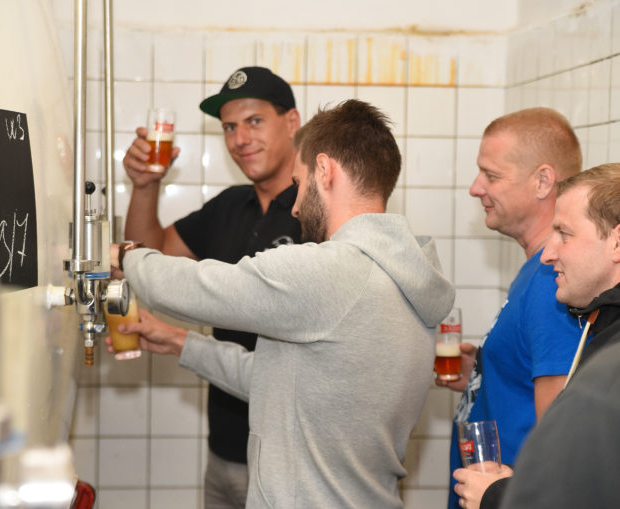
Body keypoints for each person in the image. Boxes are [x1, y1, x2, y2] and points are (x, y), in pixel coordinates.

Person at [111, 99, 455, 507]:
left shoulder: (332, 270)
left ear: (324, 170)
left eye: (299, 183)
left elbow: (204, 287)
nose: (294, 206)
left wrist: (125, 257)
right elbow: (280, 385)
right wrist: (178, 343)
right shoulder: (403, 275)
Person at [121, 66, 302, 508]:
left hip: (292, 462)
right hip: (223, 451)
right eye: (229, 127)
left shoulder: (315, 210)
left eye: (254, 121)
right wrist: (146, 185)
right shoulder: (228, 206)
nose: (240, 139)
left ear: (292, 122)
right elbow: (149, 256)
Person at [438, 107, 583, 509]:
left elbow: (559, 439)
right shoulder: (536, 270)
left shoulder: (552, 282)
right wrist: (483, 371)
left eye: (491, 175)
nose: (475, 188)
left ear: (543, 181)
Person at [460, 163, 620, 509]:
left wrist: (496, 496)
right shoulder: (600, 327)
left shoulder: (613, 359)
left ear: (617, 244)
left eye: (564, 234)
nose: (547, 254)